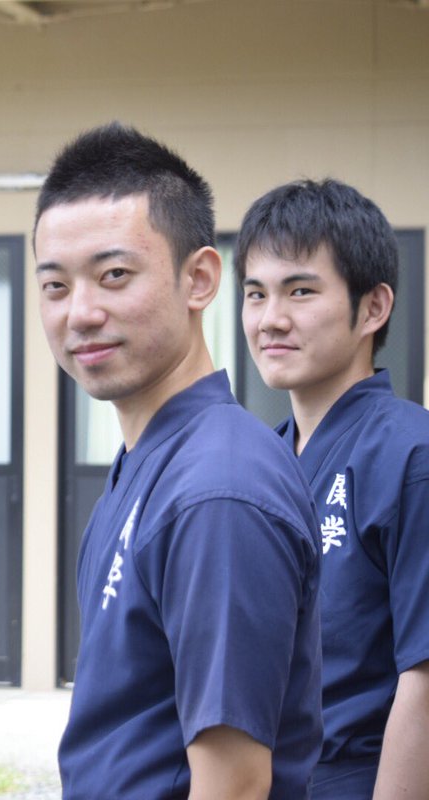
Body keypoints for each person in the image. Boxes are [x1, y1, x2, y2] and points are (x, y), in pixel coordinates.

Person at [34, 123, 322, 799]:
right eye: (54, 286)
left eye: (113, 276)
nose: (80, 314)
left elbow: (236, 786)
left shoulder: (218, 489)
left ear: (199, 278)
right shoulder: (149, 461)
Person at [237, 179, 429, 798]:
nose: (271, 319)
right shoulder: (260, 459)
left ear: (372, 308)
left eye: (300, 291)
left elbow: (424, 679)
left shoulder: (410, 452)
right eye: (256, 294)